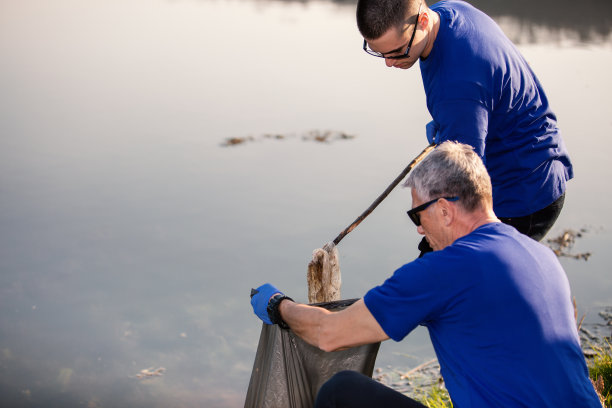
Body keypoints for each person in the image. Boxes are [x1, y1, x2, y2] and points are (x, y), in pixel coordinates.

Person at [250, 142, 601, 408]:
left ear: (445, 210)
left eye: (417, 215)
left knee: (342, 392)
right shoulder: (541, 257)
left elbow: (329, 334)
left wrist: (278, 305)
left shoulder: (442, 270)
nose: (419, 229)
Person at [356, 0, 572, 252]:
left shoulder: (458, 86)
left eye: (397, 51)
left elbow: (462, 186)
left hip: (522, 194)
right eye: (379, 52)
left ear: (423, 21)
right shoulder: (449, 12)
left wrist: (429, 224)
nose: (389, 63)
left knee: (439, 275)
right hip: (532, 164)